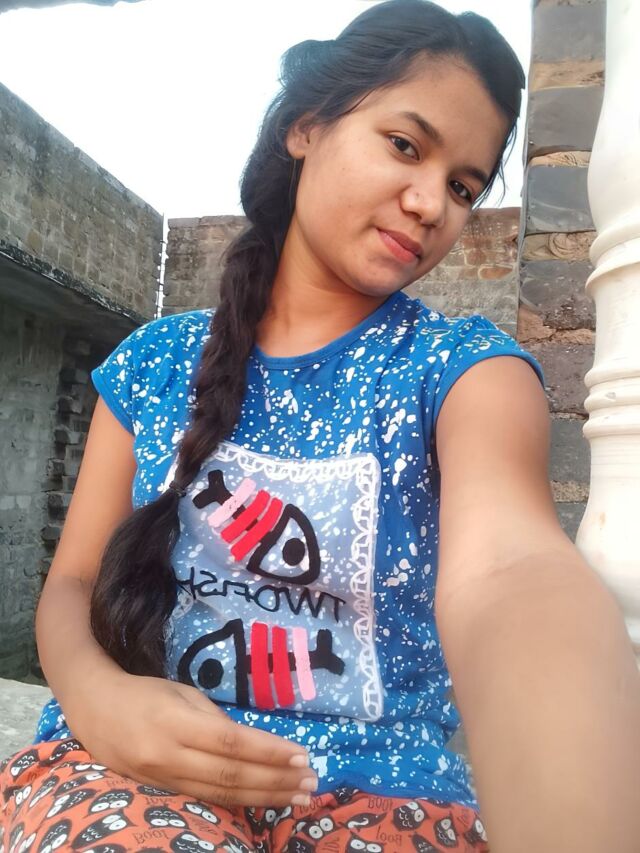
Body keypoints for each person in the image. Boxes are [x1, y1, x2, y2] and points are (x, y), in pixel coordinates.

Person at [2, 0, 639, 850]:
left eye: (463, 186)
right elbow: (74, 581)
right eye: (405, 145)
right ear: (305, 126)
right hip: (137, 771)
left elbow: (511, 567)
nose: (430, 204)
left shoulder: (462, 369)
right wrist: (96, 696)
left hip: (386, 794)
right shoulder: (157, 363)